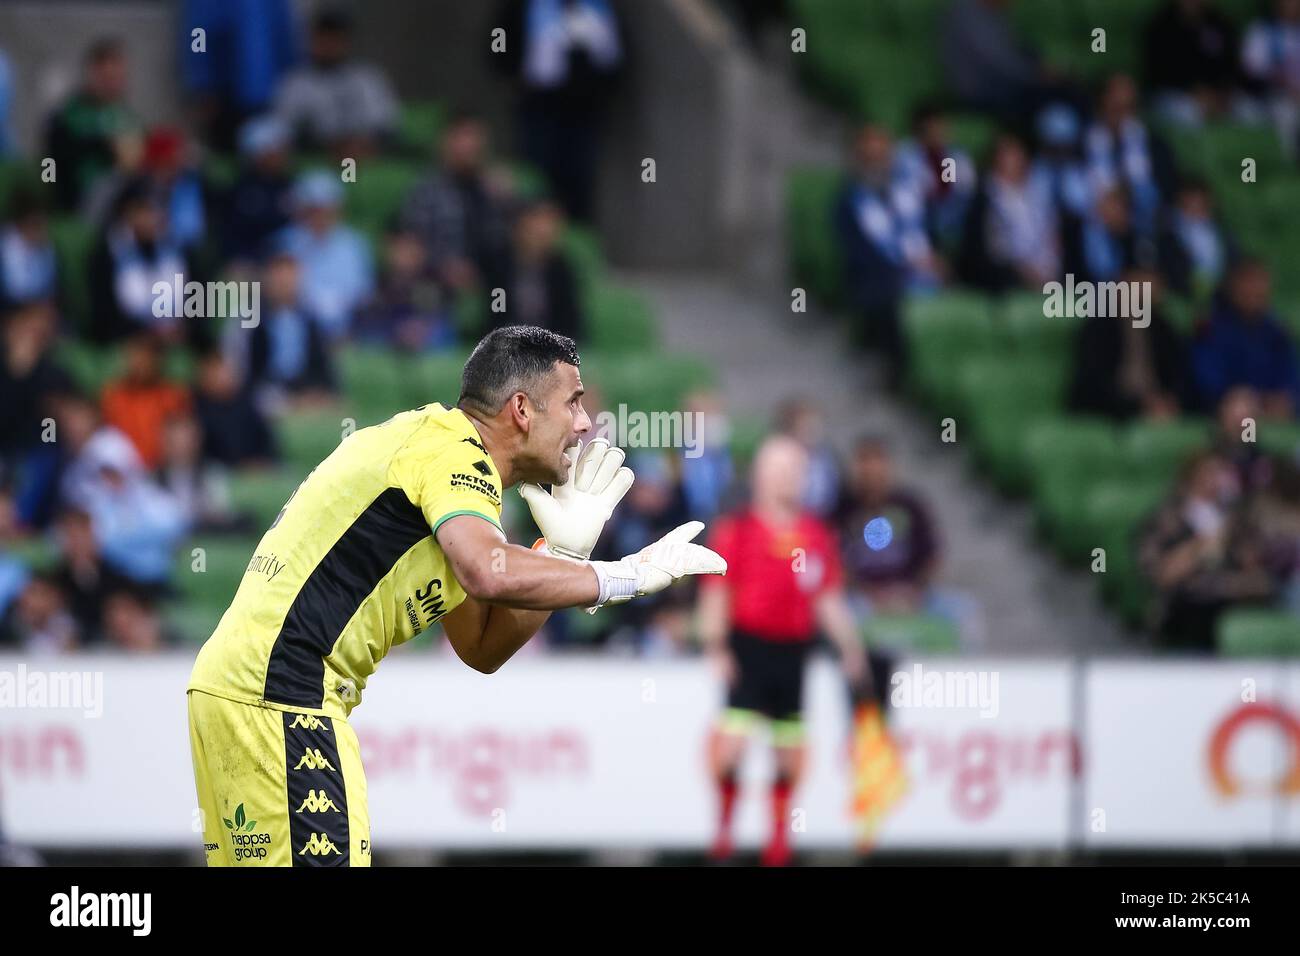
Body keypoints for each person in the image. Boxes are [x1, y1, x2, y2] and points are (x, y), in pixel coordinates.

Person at [186, 325, 726, 866]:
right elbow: (487, 573)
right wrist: (625, 576)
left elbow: (483, 646)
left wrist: (561, 556)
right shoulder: (453, 452)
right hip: (286, 695)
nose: (585, 423)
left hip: (245, 691)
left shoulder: (448, 476)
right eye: (574, 402)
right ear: (521, 409)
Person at [698, 436, 866, 867]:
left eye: (796, 468)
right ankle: (724, 833)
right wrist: (716, 645)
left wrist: (850, 646)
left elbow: (827, 597)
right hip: (748, 648)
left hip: (794, 652)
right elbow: (717, 591)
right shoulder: (736, 529)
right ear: (761, 474)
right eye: (780, 468)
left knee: (788, 755)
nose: (789, 476)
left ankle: (778, 844)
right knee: (732, 748)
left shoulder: (815, 534)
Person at [1138, 450, 1277, 650]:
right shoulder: (1165, 520)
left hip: (1235, 601)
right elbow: (1161, 576)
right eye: (1210, 472)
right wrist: (1200, 547)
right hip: (1188, 609)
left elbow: (1256, 566)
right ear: (1192, 477)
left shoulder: (1236, 519)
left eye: (1221, 472)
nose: (1217, 479)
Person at [400, 110, 514, 292]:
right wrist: (444, 267)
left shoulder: (494, 187)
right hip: (439, 279)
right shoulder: (427, 189)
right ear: (445, 142)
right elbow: (412, 244)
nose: (469, 146)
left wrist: (507, 201)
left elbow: (512, 241)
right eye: (462, 137)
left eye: (475, 137)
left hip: (492, 279)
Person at [1067, 268, 1192, 422]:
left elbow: (1179, 374)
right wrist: (1139, 405)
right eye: (1140, 280)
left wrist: (1169, 400)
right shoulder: (1099, 327)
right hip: (1108, 409)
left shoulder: (1162, 328)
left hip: (1156, 407)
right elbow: (1094, 383)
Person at [273, 7, 398, 157]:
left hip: (364, 157)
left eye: (336, 38)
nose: (329, 45)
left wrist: (361, 142)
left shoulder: (367, 78)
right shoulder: (295, 83)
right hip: (315, 161)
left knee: (353, 166)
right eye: (323, 37)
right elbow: (280, 131)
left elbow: (385, 124)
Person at [1192, 258, 1300, 416]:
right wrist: (1242, 398)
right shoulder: (1211, 329)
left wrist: (1285, 398)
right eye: (1248, 282)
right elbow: (1207, 381)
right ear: (1232, 286)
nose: (1254, 289)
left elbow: (1291, 376)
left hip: (1274, 410)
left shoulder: (1276, 331)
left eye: (1259, 282)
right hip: (1225, 411)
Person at [44, 37, 140, 212]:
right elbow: (51, 162)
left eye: (119, 77)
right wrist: (104, 146)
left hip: (127, 200)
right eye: (108, 77)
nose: (114, 84)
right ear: (92, 73)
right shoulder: (68, 115)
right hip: (81, 199)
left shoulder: (127, 115)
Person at [482, 198, 584, 339]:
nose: (544, 232)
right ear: (519, 228)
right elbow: (497, 313)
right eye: (536, 227)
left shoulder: (561, 269)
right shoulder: (500, 265)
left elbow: (570, 320)